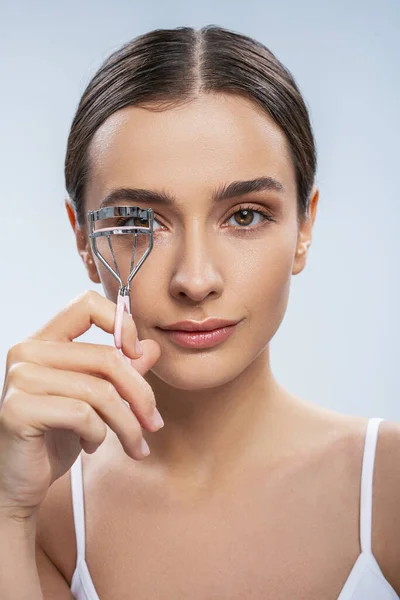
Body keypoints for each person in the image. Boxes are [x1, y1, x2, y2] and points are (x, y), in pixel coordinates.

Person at [0, 24, 399, 600]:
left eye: (244, 216)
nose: (195, 280)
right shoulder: (44, 515)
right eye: (139, 222)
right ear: (84, 240)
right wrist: (8, 513)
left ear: (304, 227)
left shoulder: (388, 487)